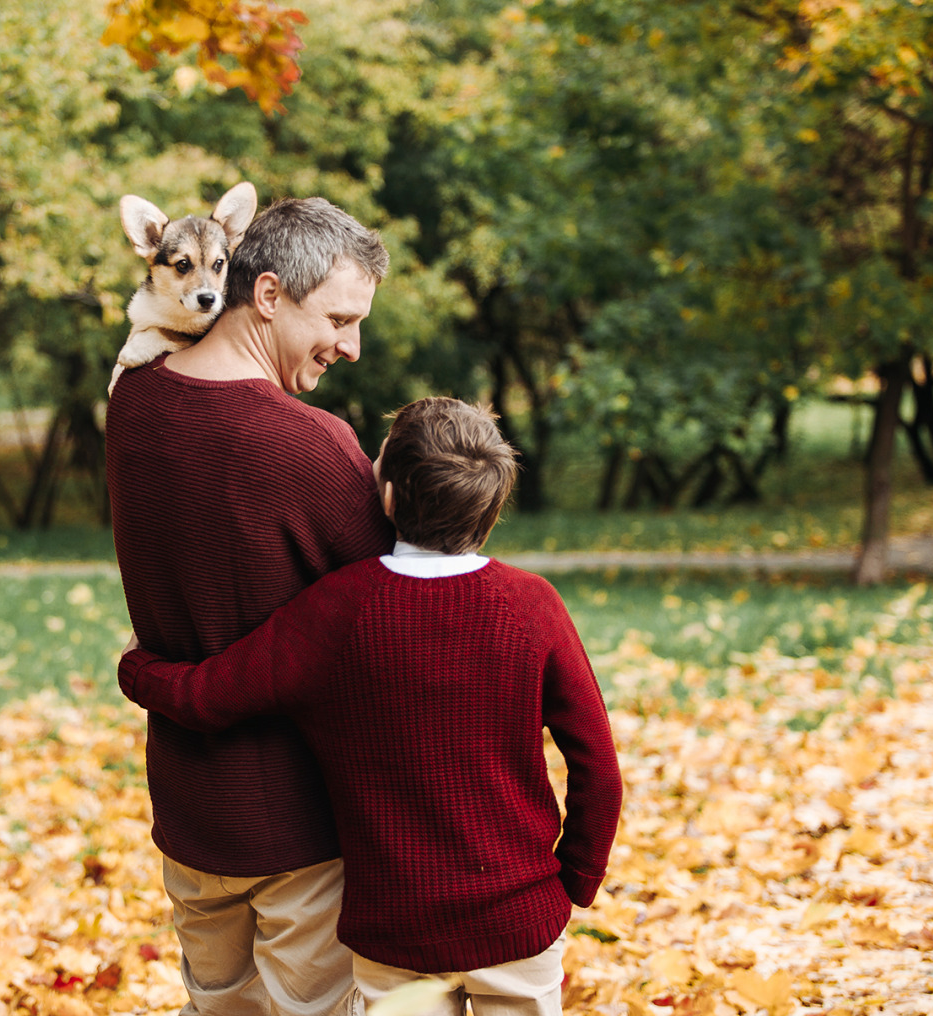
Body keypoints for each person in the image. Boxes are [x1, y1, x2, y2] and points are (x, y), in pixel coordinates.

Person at [119, 397, 623, 1016]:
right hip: (519, 916)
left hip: (395, 929)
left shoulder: (338, 609)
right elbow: (598, 767)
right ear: (492, 509)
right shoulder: (531, 605)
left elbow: (212, 696)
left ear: (386, 498)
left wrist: (138, 668)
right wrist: (575, 880)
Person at [105, 196, 394, 1016]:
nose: (352, 345)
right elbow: (387, 620)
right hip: (301, 828)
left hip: (192, 815)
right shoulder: (310, 443)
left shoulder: (132, 405)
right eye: (339, 317)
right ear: (266, 295)